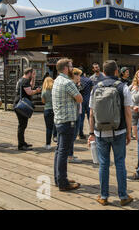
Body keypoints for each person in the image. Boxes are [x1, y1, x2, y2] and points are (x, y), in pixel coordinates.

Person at [87, 60, 133, 206]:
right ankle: (123, 196)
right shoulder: (123, 87)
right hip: (119, 131)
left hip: (100, 133)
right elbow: (128, 113)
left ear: (103, 72)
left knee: (103, 164)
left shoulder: (95, 88)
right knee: (120, 163)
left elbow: (91, 113)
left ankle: (104, 196)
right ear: (116, 71)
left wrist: (91, 132)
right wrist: (129, 132)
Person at [52, 58, 83, 191]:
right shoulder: (67, 82)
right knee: (63, 152)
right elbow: (79, 99)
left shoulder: (57, 80)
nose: (72, 69)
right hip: (67, 122)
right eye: (71, 66)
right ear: (66, 68)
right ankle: (63, 182)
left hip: (59, 120)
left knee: (59, 151)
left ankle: (59, 178)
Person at [14, 68, 42, 151]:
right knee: (22, 125)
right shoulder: (25, 81)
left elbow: (31, 87)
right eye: (33, 73)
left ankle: (23, 142)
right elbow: (29, 92)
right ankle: (21, 145)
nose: (34, 75)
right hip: (21, 105)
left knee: (23, 125)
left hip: (19, 104)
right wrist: (37, 91)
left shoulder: (21, 80)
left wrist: (33, 78)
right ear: (29, 73)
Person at [68, 68, 84, 163]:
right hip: (74, 114)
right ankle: (69, 156)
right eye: (78, 75)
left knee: (73, 136)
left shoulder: (75, 85)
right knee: (72, 136)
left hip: (77, 113)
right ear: (74, 75)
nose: (80, 77)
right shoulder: (72, 85)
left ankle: (70, 155)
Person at [77, 70, 93, 140]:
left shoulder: (78, 80)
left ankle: (80, 133)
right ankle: (92, 132)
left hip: (81, 101)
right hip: (88, 100)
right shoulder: (89, 80)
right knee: (90, 117)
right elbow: (92, 89)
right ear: (84, 73)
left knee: (81, 117)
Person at [41, 77, 56, 150]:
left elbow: (43, 101)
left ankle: (48, 144)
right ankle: (56, 137)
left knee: (48, 128)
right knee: (56, 125)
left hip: (47, 109)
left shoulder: (44, 91)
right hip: (55, 109)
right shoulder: (55, 90)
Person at [130, 71, 139, 140]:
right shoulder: (132, 87)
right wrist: (132, 106)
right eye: (138, 76)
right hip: (135, 111)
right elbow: (127, 98)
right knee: (138, 135)